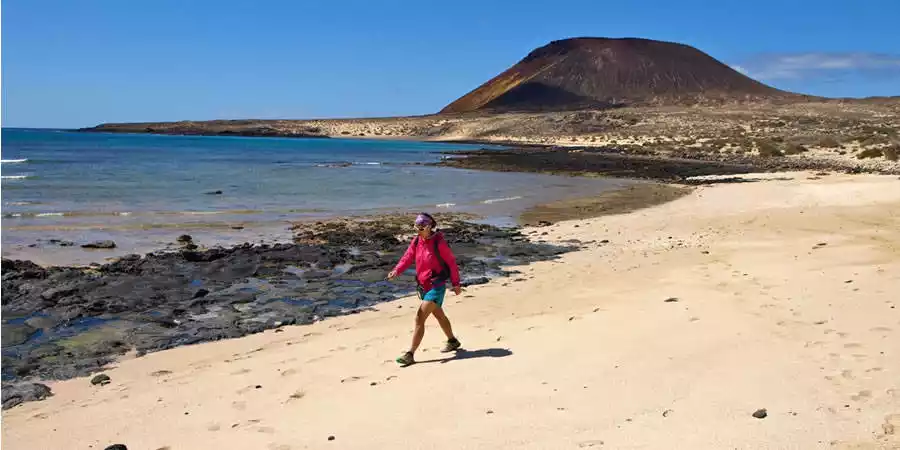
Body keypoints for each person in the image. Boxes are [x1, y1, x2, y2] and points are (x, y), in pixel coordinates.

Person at [387, 212, 463, 366]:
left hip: (437, 286)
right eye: (417, 227)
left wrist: (456, 283)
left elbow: (451, 263)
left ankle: (410, 354)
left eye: (422, 227)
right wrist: (397, 270)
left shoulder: (439, 243)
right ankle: (452, 340)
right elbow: (407, 257)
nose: (419, 230)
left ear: (430, 226)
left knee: (419, 318)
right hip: (424, 286)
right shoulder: (416, 241)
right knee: (439, 315)